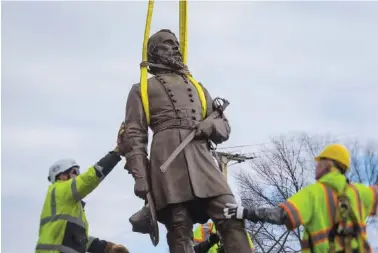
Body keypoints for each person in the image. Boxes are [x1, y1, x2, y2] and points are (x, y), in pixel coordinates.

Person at [122, 29, 252, 253]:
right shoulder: (142, 89)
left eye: (176, 44)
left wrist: (210, 125)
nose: (175, 48)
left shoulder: (198, 87)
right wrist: (140, 177)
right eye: (167, 44)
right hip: (167, 161)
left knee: (230, 214)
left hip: (201, 158)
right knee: (179, 226)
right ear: (154, 51)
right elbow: (134, 135)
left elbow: (223, 128)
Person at [224, 144, 378, 253]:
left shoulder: (314, 193)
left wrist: (244, 212)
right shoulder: (360, 193)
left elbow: (279, 215)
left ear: (329, 165)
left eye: (319, 163)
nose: (316, 167)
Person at [35, 122, 130, 253]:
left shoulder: (70, 208)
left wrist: (108, 248)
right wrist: (116, 153)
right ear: (61, 176)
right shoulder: (58, 190)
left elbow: (80, 240)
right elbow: (88, 179)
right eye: (74, 172)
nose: (78, 176)